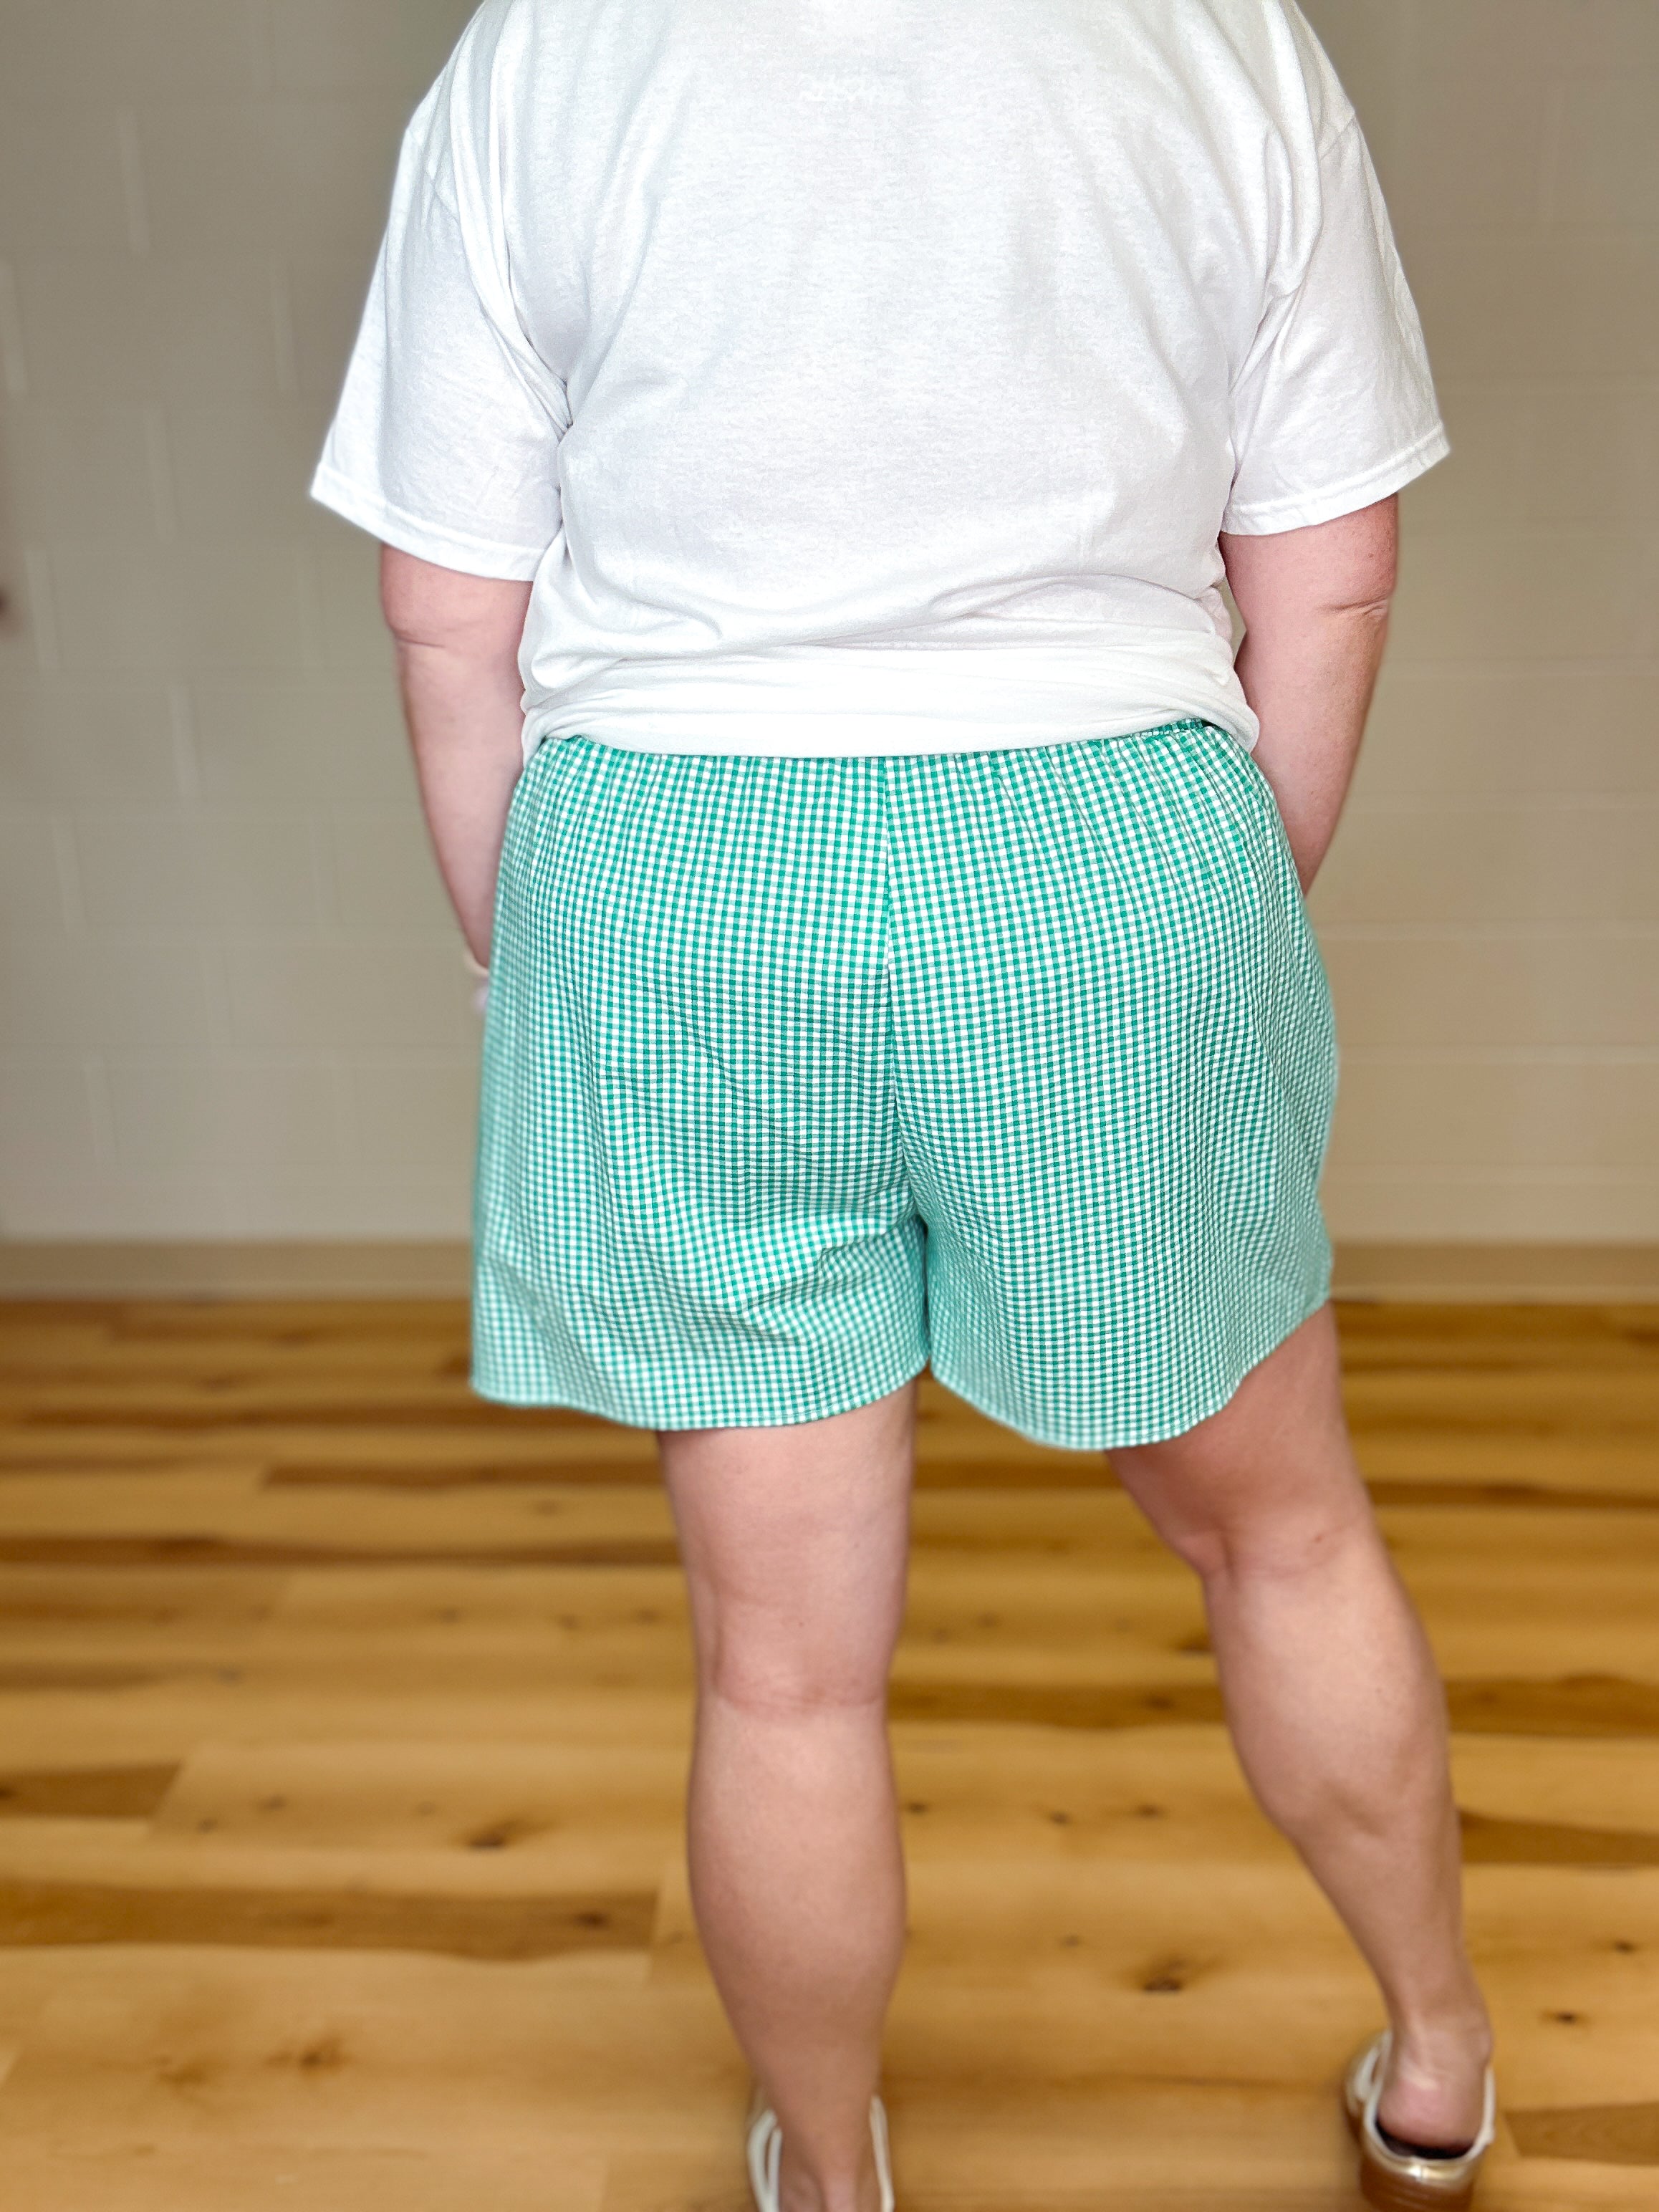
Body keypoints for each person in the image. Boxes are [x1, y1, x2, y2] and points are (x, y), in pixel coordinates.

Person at [312, 2, 1496, 2206]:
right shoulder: (1214, 34)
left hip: (673, 865)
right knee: (1282, 1528)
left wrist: (530, 962)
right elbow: (1328, 565)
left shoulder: (546, 48)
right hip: (1102, 838)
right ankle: (1435, 2061)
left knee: (782, 1669)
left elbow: (444, 617)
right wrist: (1201, 921)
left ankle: (837, 2177)